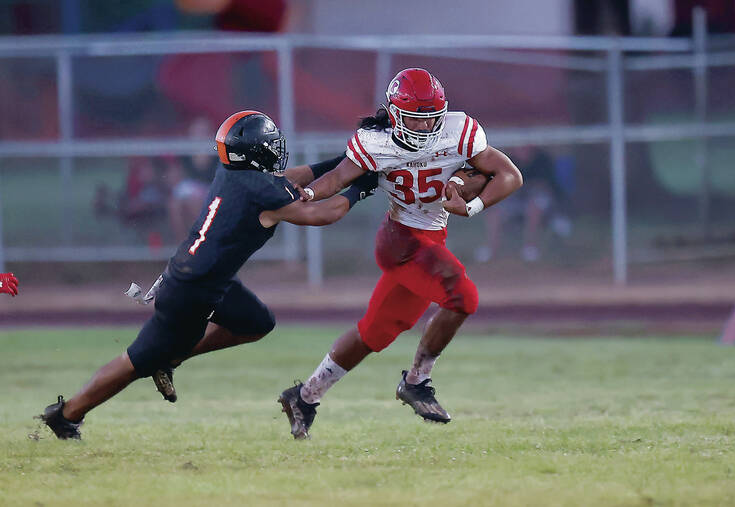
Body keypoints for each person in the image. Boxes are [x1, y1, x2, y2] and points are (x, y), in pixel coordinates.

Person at [39, 110, 377, 440]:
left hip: (204, 280)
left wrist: (347, 162)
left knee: (256, 322)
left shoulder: (236, 174)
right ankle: (66, 415)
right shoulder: (264, 195)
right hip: (192, 291)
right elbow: (321, 215)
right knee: (136, 362)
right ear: (258, 151)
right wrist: (358, 188)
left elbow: (292, 179)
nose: (276, 149)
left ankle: (171, 357)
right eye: (271, 144)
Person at [277, 68, 523, 439]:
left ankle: (305, 396)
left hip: (431, 240)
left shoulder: (460, 131)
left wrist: (471, 207)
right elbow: (338, 177)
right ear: (394, 115)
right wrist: (309, 193)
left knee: (372, 335)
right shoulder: (375, 143)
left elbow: (509, 175)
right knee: (462, 297)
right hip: (403, 241)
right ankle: (417, 381)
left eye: (431, 121)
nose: (425, 129)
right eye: (415, 120)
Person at [475, 145, 573, 263]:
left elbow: (547, 188)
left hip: (544, 204)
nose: (522, 150)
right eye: (519, 147)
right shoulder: (508, 161)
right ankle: (491, 249)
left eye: (526, 147)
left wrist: (528, 187)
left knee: (534, 205)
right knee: (494, 208)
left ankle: (530, 247)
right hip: (517, 201)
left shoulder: (542, 160)